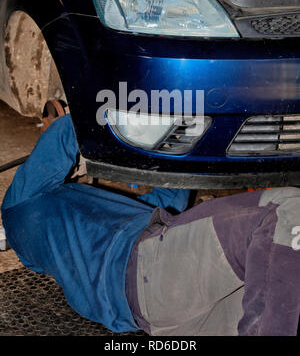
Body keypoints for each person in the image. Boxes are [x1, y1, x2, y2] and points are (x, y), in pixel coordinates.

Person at [1, 110, 300, 336]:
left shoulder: (37, 247)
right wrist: (139, 117)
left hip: (151, 316)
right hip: (148, 268)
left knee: (282, 287)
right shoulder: (16, 205)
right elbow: (67, 131)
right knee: (283, 210)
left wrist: (189, 143)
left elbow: (169, 200)